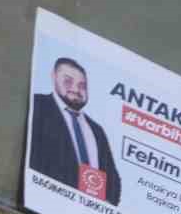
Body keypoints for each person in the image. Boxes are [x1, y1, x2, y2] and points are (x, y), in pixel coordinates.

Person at [28, 57, 122, 205]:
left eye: (82, 85)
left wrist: (104, 209)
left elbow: (113, 180)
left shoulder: (97, 130)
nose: (76, 89)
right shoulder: (37, 105)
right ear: (54, 77)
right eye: (68, 81)